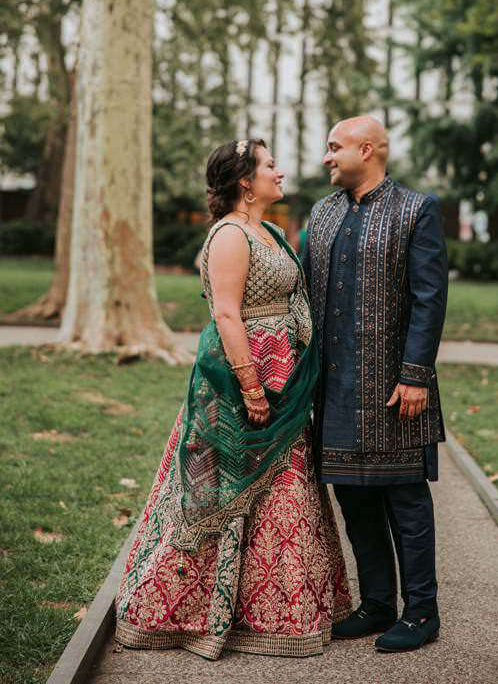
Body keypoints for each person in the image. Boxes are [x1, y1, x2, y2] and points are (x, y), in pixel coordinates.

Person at [114, 140, 350, 658]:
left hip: (283, 380)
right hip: (241, 385)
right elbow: (225, 314)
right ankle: (194, 613)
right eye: (270, 166)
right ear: (245, 181)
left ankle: (279, 614)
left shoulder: (266, 230)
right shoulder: (227, 236)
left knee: (284, 496)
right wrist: (250, 387)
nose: (280, 172)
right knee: (224, 494)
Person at [303, 116, 451, 653]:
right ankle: (377, 604)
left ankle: (422, 612)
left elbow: (429, 299)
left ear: (367, 150)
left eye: (334, 147)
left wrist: (416, 375)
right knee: (354, 498)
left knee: (405, 500)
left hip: (394, 390)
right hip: (336, 389)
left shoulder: (416, 210)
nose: (327, 158)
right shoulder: (320, 216)